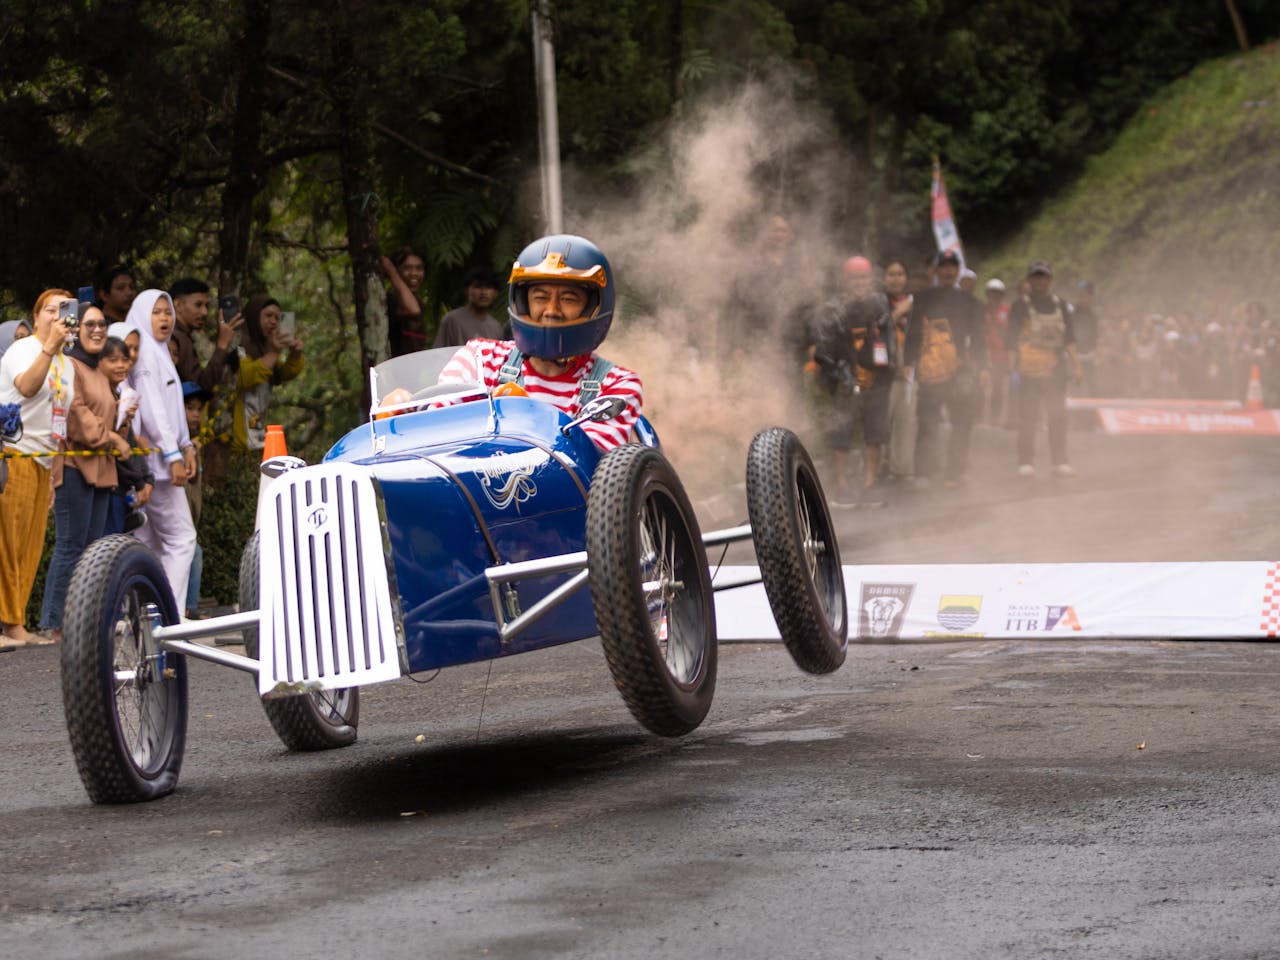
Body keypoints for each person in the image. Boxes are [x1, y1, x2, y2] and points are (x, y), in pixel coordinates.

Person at [437, 234, 642, 451]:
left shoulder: (616, 385)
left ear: (593, 307)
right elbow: (440, 427)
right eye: (540, 297)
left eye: (568, 299)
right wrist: (403, 412)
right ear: (523, 303)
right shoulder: (480, 358)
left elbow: (583, 464)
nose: (551, 311)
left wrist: (521, 415)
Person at [39, 302, 132, 641]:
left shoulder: (98, 370)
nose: (97, 330)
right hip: (75, 466)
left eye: (102, 325)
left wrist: (123, 421)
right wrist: (110, 438)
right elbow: (77, 416)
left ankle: (83, 622)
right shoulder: (70, 365)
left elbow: (103, 420)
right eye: (90, 324)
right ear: (75, 328)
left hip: (102, 470)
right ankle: (52, 622)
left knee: (94, 550)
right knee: (70, 545)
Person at [0, 290, 74, 646]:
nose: (58, 315)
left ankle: (15, 623)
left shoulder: (67, 363)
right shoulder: (24, 349)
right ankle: (8, 625)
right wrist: (48, 347)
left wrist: (54, 472)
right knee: (6, 544)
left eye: (65, 309)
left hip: (43, 462)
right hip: (14, 454)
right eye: (51, 309)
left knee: (29, 547)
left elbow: (59, 422)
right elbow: (27, 388)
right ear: (37, 314)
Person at [127, 289, 198, 609]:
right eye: (156, 312)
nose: (165, 318)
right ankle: (170, 615)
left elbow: (171, 407)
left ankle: (150, 616)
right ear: (142, 314)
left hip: (158, 461)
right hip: (157, 464)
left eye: (167, 311)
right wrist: (173, 455)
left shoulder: (157, 351)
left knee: (151, 543)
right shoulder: (146, 353)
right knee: (182, 540)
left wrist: (186, 446)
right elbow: (154, 410)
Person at [811, 256, 894, 505]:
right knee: (842, 433)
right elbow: (823, 352)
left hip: (875, 380)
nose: (859, 283)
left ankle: (869, 485)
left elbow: (889, 341)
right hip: (845, 382)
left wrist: (889, 370)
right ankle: (842, 485)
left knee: (875, 434)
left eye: (864, 277)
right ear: (845, 281)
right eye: (854, 278)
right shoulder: (832, 310)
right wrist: (840, 375)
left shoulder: (879, 305)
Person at [904, 249, 987, 489]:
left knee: (962, 421)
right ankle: (924, 472)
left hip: (961, 371)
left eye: (953, 266)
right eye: (944, 266)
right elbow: (913, 333)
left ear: (958, 270)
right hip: (930, 369)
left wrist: (983, 366)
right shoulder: (922, 299)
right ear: (936, 270)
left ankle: (956, 471)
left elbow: (979, 337)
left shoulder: (970, 302)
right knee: (927, 420)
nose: (949, 270)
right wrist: (908, 362)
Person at [1006, 260, 1082, 478]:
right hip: (1028, 371)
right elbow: (1011, 340)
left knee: (1057, 416)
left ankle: (1059, 461)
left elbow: (1070, 339)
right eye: (1036, 277)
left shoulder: (1061, 306)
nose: (1040, 281)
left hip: (1055, 371)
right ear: (1029, 280)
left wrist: (1077, 366)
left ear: (1050, 280)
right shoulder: (1019, 306)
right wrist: (1012, 369)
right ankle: (1025, 461)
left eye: (1043, 277)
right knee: (1028, 417)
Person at [232, 294, 304, 451]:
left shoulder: (264, 347)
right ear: (254, 316)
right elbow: (245, 377)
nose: (273, 322)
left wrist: (295, 355)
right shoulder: (238, 346)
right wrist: (273, 353)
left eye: (277, 318)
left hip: (256, 435)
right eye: (268, 316)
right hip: (236, 439)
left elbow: (282, 374)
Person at [99, 335, 152, 535]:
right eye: (113, 360)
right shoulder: (102, 400)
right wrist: (140, 481)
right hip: (110, 489)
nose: (121, 365)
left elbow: (128, 441)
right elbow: (117, 449)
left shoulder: (120, 397)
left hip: (121, 489)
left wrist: (147, 478)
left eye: (124, 360)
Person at [168, 277, 243, 392]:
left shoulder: (181, 335)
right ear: (177, 305)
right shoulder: (177, 338)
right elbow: (200, 384)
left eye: (207, 306)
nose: (205, 312)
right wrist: (222, 345)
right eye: (198, 305)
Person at [882, 259, 916, 484]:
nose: (896, 278)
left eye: (900, 273)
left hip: (909, 372)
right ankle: (880, 467)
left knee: (906, 422)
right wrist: (897, 313)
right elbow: (878, 328)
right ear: (884, 278)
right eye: (891, 274)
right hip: (883, 374)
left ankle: (901, 471)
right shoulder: (878, 303)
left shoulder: (915, 304)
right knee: (882, 422)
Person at [181, 381, 209, 619]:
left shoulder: (194, 447)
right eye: (190, 408)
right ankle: (188, 610)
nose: (195, 415)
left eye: (199, 409)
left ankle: (189, 608)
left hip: (188, 524)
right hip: (174, 524)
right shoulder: (173, 447)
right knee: (193, 552)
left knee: (194, 551)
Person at [434, 266, 503, 347]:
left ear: (495, 293)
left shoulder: (496, 327)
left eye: (488, 287)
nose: (483, 292)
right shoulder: (451, 320)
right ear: (466, 290)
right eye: (478, 286)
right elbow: (439, 353)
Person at [384, 246, 428, 356]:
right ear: (397, 271)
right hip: (392, 370)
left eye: (419, 268)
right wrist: (390, 270)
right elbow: (413, 310)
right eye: (407, 268)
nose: (414, 273)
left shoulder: (419, 302)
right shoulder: (391, 300)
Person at [983, 278, 1011, 426]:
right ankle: (980, 416)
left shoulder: (1007, 311)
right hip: (986, 355)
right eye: (991, 294)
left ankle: (996, 417)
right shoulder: (982, 311)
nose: (994, 297)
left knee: (999, 387)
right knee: (982, 386)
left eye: (998, 294)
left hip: (1002, 355)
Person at [1071, 280, 1100, 396]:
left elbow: (1095, 336)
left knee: (1093, 388)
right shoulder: (1071, 312)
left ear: (1091, 297)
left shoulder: (1093, 316)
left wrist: (1096, 352)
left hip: (1088, 357)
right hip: (1073, 357)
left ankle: (1090, 413)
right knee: (1074, 389)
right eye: (1080, 296)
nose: (1083, 299)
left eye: (1086, 296)